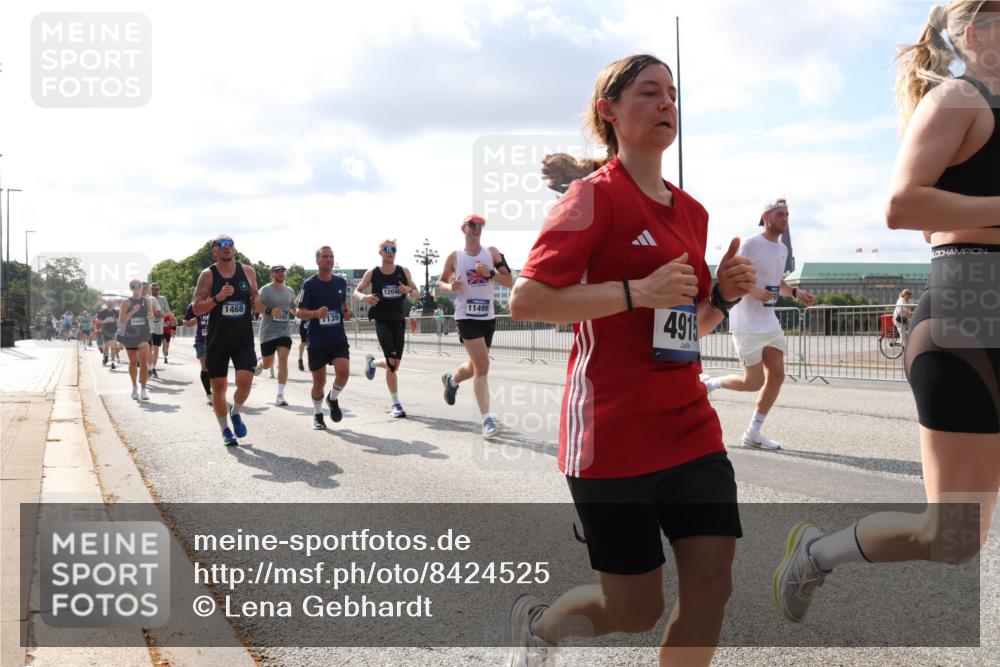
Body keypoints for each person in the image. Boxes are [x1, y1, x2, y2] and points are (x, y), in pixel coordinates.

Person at [505, 54, 758, 667]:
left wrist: (720, 295)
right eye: (649, 92)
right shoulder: (591, 199)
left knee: (712, 585)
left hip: (689, 426)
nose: (666, 103)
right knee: (636, 609)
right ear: (609, 111)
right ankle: (539, 627)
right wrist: (632, 292)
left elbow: (682, 331)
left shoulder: (691, 212)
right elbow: (527, 300)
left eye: (672, 93)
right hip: (611, 433)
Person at [775, 1, 1000, 625]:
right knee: (952, 538)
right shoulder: (958, 99)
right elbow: (903, 206)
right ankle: (816, 553)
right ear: (976, 32)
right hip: (968, 319)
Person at [700, 199, 815, 450]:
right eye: (780, 214)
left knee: (777, 374)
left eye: (787, 214)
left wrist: (796, 293)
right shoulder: (752, 243)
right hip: (746, 323)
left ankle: (753, 432)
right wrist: (752, 290)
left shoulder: (782, 250)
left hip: (769, 321)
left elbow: (777, 284)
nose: (785, 219)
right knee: (753, 382)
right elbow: (727, 273)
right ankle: (710, 384)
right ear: (766, 217)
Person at [437, 214, 514, 439]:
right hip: (466, 317)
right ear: (464, 228)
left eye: (480, 225)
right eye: (473, 224)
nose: (477, 228)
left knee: (475, 366)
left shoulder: (491, 253)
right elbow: (441, 282)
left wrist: (489, 273)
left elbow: (509, 280)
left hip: (487, 317)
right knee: (483, 365)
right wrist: (451, 286)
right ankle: (487, 420)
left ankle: (451, 380)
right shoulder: (455, 257)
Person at [192, 235, 260, 446]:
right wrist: (217, 298)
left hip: (243, 339)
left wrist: (258, 303)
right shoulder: (208, 275)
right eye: (221, 245)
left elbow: (255, 297)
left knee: (245, 382)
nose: (226, 247)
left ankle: (236, 412)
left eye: (230, 244)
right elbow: (196, 308)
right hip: (218, 340)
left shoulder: (247, 271)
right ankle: (225, 431)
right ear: (214, 251)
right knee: (219, 389)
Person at [354, 239, 418, 418]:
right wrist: (364, 297)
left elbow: (416, 294)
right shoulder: (373, 273)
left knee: (395, 364)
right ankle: (396, 404)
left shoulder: (403, 271)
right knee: (391, 362)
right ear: (380, 252)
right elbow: (356, 291)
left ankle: (372, 363)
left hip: (398, 321)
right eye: (387, 249)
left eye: (394, 249)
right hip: (381, 320)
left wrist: (408, 291)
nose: (391, 251)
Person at [297, 246, 353, 430]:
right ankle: (318, 414)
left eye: (331, 256)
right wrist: (315, 313)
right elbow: (299, 311)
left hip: (337, 338)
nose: (329, 259)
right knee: (319, 382)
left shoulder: (340, 283)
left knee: (343, 372)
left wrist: (346, 312)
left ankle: (333, 398)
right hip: (317, 340)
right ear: (317, 261)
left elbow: (344, 303)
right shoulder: (310, 284)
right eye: (325, 256)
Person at [255, 265, 297, 406]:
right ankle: (260, 364)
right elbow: (255, 305)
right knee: (268, 364)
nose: (280, 273)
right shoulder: (265, 290)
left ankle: (280, 395)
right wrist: (269, 311)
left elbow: (293, 306)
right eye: (277, 271)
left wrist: (298, 312)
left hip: (284, 331)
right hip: (268, 332)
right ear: (272, 274)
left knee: (283, 361)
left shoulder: (290, 291)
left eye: (282, 271)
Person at [118, 280, 157, 401]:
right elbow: (122, 320)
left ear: (141, 288)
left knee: (144, 359)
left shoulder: (147, 301)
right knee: (133, 362)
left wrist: (151, 315)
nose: (136, 288)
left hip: (144, 334)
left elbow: (150, 315)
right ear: (131, 288)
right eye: (133, 286)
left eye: (138, 286)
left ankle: (144, 389)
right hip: (130, 334)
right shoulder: (126, 302)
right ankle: (134, 387)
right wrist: (133, 311)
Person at [184, 302, 213, 404]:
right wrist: (191, 322)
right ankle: (209, 394)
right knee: (205, 367)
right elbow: (185, 321)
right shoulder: (193, 305)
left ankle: (216, 390)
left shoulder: (217, 301)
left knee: (215, 367)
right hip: (201, 340)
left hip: (216, 339)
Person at [147, 282, 170, 376]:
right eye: (154, 289)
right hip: (148, 327)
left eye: (157, 289)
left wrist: (162, 314)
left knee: (156, 348)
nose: (156, 291)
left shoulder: (163, 299)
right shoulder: (147, 299)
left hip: (159, 327)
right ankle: (149, 367)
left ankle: (153, 368)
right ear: (150, 289)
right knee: (149, 349)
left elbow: (168, 312)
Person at [96, 301, 120, 369]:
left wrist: (119, 330)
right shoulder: (102, 312)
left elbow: (118, 321)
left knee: (113, 347)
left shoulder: (116, 312)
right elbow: (97, 320)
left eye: (111, 303)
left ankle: (113, 362)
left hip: (113, 331)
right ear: (106, 304)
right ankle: (106, 356)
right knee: (106, 347)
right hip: (105, 332)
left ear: (114, 304)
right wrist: (104, 321)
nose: (110, 304)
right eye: (109, 303)